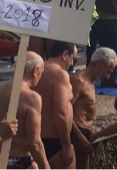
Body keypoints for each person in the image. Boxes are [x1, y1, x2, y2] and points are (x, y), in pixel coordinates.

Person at [0, 52, 50, 169]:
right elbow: (34, 142)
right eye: (41, 73)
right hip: (20, 161)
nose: (41, 77)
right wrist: (46, 167)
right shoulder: (32, 98)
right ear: (35, 71)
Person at [70, 47, 117, 169]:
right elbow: (65, 111)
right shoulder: (79, 81)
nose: (108, 76)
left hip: (85, 133)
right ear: (99, 64)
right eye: (108, 71)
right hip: (76, 133)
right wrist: (80, 137)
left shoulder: (90, 81)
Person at [34, 41, 77, 169]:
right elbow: (60, 113)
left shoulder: (37, 71)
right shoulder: (60, 74)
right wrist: (66, 146)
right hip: (55, 142)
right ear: (65, 54)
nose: (72, 63)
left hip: (37, 139)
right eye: (72, 58)